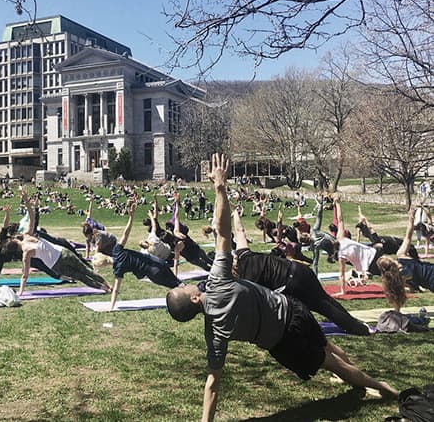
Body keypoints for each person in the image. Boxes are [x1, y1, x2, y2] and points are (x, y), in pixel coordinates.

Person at [166, 154, 398, 421]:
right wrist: (220, 187)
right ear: (194, 300)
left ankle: (379, 388)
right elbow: (225, 232)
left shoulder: (214, 333)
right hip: (293, 315)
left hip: (284, 339)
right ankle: (378, 387)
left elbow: (212, 384)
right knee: (331, 354)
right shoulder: (218, 282)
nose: (185, 283)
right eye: (184, 288)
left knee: (332, 362)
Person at [232, 207, 370, 335]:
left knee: (324, 307)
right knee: (326, 300)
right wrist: (235, 213)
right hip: (299, 269)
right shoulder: (243, 255)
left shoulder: (246, 282)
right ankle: (355, 323)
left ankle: (359, 329)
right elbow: (239, 230)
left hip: (292, 282)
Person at [0, 189, 112, 296]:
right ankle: (108, 285)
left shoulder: (25, 255)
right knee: (86, 271)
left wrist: (21, 292)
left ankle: (105, 288)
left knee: (82, 277)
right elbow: (32, 217)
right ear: (15, 240)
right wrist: (27, 201)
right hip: (63, 253)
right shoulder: (28, 236)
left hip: (56, 266)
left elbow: (24, 276)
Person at [93, 202, 184, 311]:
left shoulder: (118, 269)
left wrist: (111, 307)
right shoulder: (117, 250)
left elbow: (116, 289)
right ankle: (196, 293)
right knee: (179, 283)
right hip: (157, 261)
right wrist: (131, 217)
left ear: (104, 265)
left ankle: (190, 299)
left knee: (176, 286)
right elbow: (126, 233)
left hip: (153, 272)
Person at [333, 196, 383, 296]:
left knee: (388, 275)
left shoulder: (341, 256)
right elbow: (340, 220)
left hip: (370, 262)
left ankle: (407, 284)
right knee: (392, 270)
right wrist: (337, 203)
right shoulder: (341, 238)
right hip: (374, 251)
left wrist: (342, 291)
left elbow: (342, 275)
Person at [379, 207, 434, 295]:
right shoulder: (401, 257)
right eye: (388, 259)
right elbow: (408, 237)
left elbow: (408, 237)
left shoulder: (399, 272)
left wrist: (411, 220)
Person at [310, 195, 337, 274]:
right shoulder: (314, 232)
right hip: (328, 243)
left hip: (327, 244)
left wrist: (320, 205)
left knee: (315, 261)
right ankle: (331, 255)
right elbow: (319, 216)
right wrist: (320, 205)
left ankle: (315, 276)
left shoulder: (313, 245)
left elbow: (319, 216)